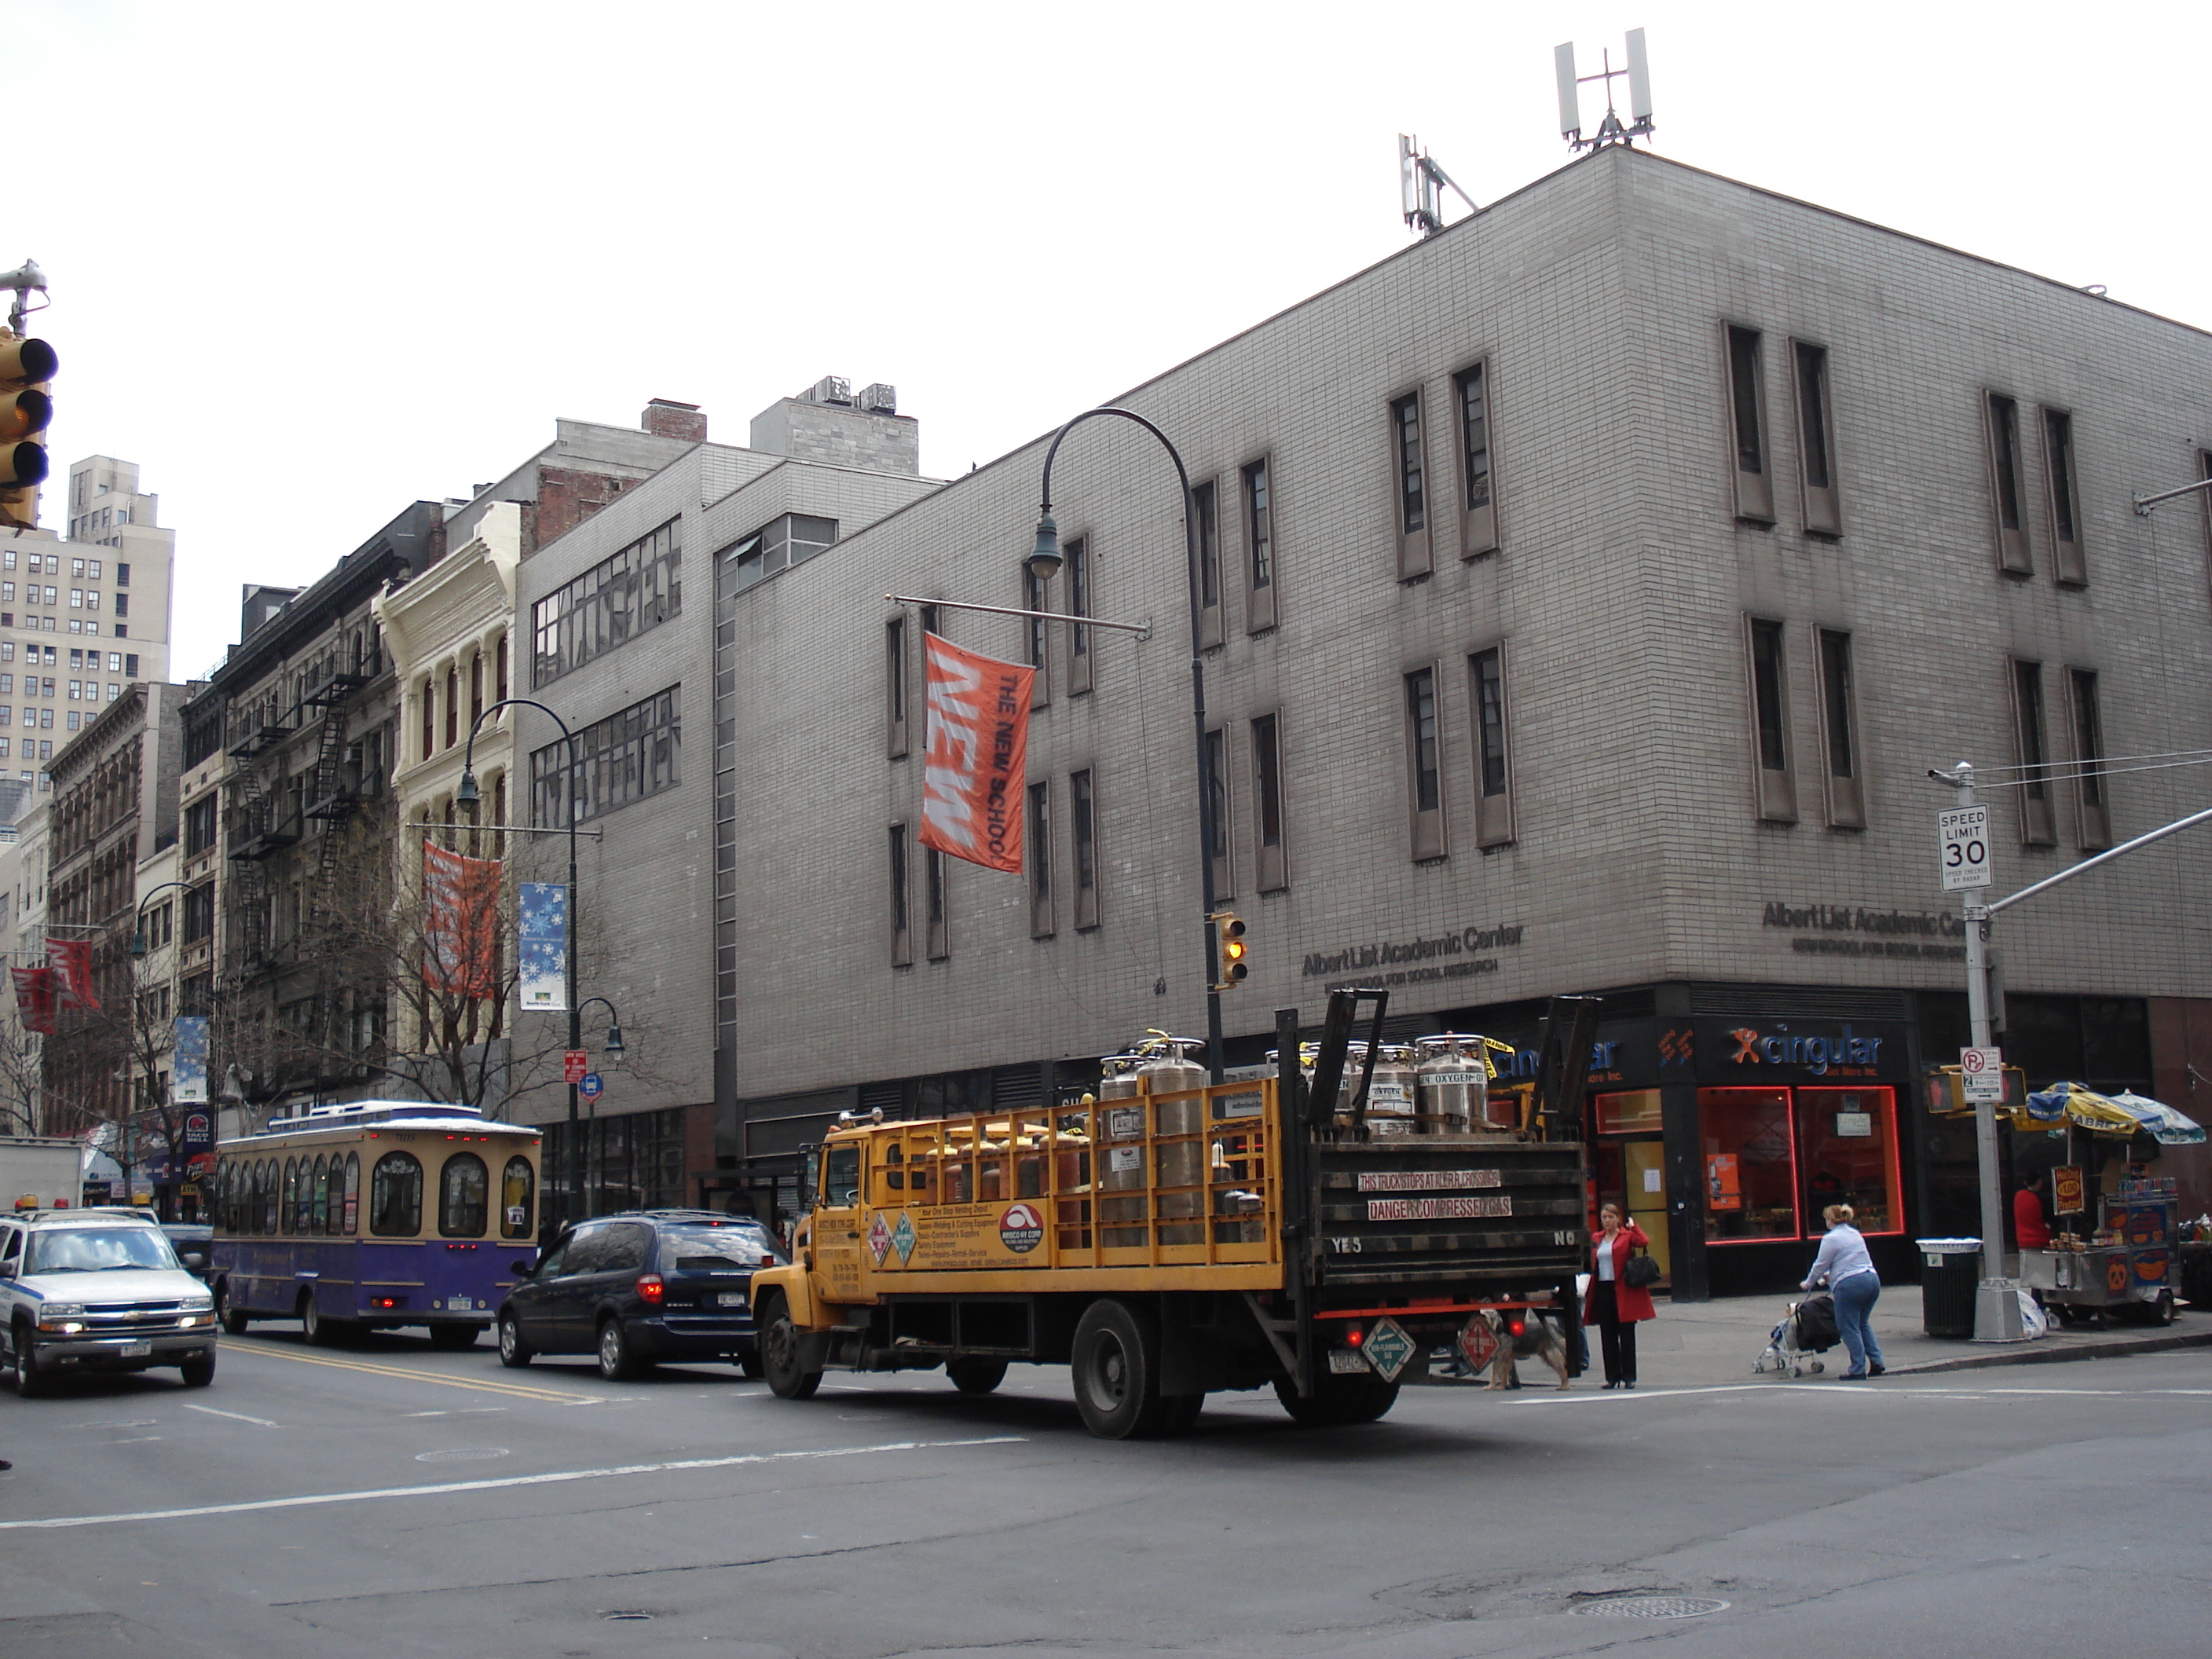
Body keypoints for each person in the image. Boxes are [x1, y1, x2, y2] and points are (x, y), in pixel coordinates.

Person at [1804, 1203, 1884, 1379]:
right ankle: (1877, 1362)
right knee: (1862, 1323)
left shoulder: (1831, 1238)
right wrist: (1829, 1277)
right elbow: (1850, 1259)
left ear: (1830, 1220)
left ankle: (1857, 1369)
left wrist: (1809, 1282)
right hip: (1871, 1279)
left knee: (1848, 1327)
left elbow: (1821, 1264)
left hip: (1850, 1285)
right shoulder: (1854, 1233)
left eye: (1826, 1218)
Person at [1583, 1203, 1657, 1388]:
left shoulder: (1627, 1236)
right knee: (1607, 1334)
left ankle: (1629, 1376)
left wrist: (1634, 1227)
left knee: (1626, 1334)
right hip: (1603, 1289)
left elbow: (1644, 1241)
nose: (1607, 1221)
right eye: (1604, 1218)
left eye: (1610, 1217)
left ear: (1618, 1219)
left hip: (1624, 1290)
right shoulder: (1597, 1238)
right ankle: (1612, 1377)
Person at [2013, 1174, 2051, 1251]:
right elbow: (2050, 1219)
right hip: (2040, 1239)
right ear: (2039, 1182)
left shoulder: (2018, 1196)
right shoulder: (2040, 1199)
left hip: (2022, 1239)